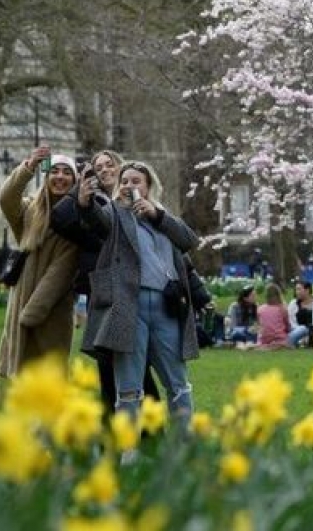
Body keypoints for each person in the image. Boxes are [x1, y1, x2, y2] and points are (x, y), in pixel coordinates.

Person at [80, 160, 199, 434]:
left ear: (148, 187)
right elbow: (96, 220)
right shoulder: (114, 213)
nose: (129, 186)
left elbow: (189, 240)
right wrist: (85, 203)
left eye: (136, 181)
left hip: (165, 308)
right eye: (125, 181)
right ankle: (129, 450)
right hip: (128, 307)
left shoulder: (162, 216)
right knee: (129, 384)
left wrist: (156, 215)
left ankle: (186, 443)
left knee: (177, 380)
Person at [50, 149, 161, 417]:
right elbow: (60, 219)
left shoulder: (136, 204)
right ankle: (116, 426)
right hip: (103, 291)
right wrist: (82, 183)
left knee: (135, 362)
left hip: (133, 289)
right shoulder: (93, 202)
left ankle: (147, 424)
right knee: (108, 361)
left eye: (109, 164)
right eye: (98, 167)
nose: (104, 169)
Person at [0, 147, 80, 377]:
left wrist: (34, 311)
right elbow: (5, 199)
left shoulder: (79, 218)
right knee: (21, 377)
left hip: (52, 308)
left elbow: (62, 269)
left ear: (74, 180)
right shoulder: (30, 211)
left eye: (66, 172)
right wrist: (28, 167)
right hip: (21, 298)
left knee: (48, 376)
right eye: (54, 171)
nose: (60, 177)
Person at [287, 280, 313, 348]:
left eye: (299, 289)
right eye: (296, 290)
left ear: (307, 290)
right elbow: (290, 323)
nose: (296, 292)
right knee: (302, 329)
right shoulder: (293, 304)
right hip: (297, 334)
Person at [252, 283, 292, 351]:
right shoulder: (282, 308)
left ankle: (264, 346)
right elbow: (287, 326)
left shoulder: (260, 309)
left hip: (263, 339)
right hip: (279, 338)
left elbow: (259, 325)